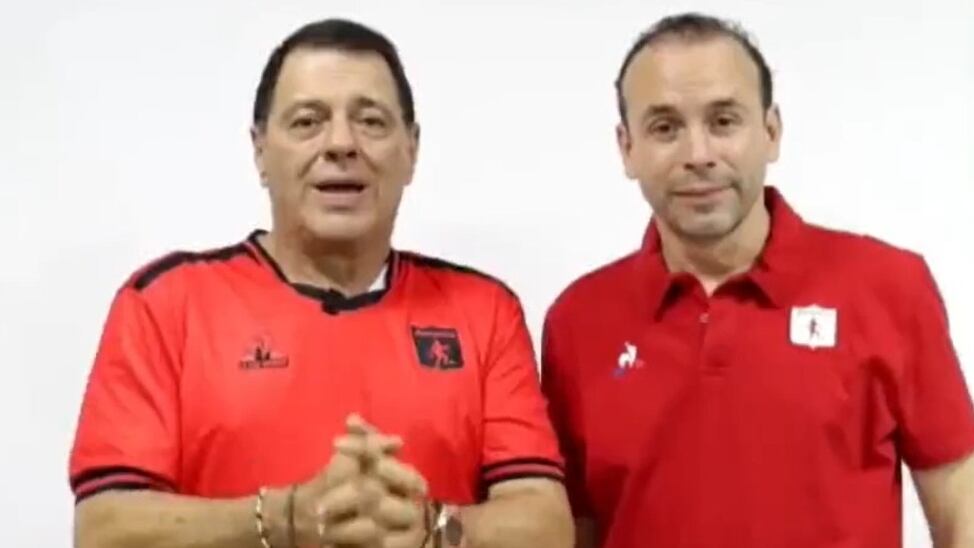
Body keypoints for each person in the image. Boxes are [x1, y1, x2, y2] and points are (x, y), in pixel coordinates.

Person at [69, 18, 572, 548]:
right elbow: (105, 530)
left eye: (372, 121)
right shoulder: (165, 303)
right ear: (261, 150)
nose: (341, 144)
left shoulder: (483, 310)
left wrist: (434, 528)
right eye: (308, 121)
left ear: (412, 149)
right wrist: (282, 519)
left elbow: (546, 527)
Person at [541, 12, 974, 548]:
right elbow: (575, 526)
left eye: (724, 121)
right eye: (665, 128)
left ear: (771, 132)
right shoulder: (577, 320)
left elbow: (959, 494)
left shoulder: (889, 285)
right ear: (626, 148)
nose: (698, 156)